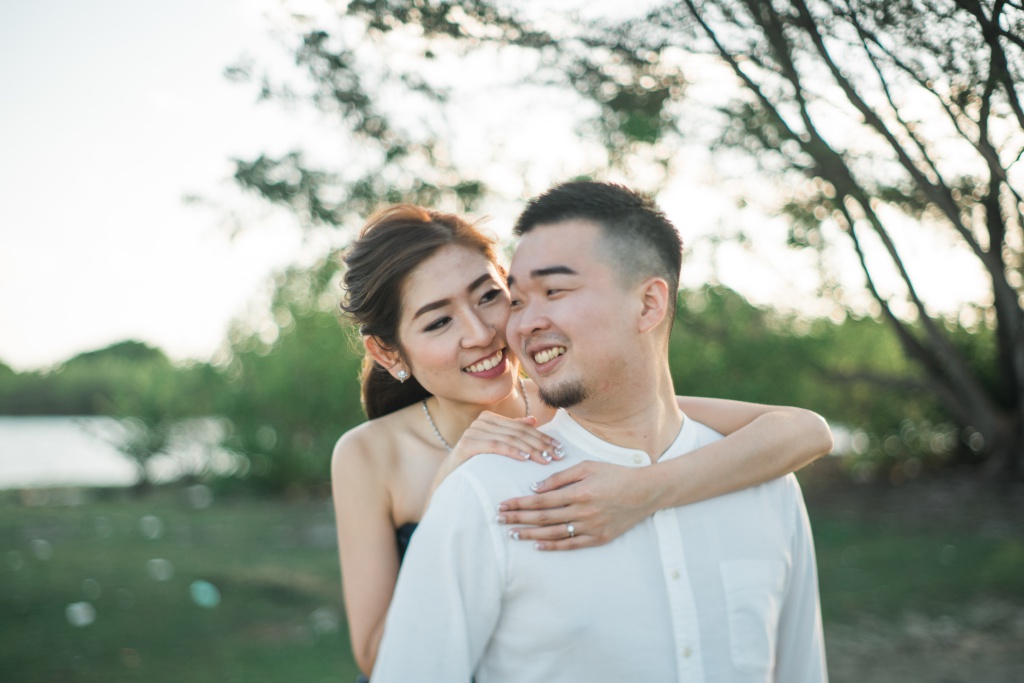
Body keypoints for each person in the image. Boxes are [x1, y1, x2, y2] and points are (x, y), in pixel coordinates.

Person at [331, 203, 832, 680]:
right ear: (387, 350)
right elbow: (380, 657)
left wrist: (644, 490)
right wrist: (447, 486)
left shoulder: (568, 401)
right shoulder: (371, 454)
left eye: (489, 296)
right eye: (439, 321)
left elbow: (804, 430)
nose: (481, 333)